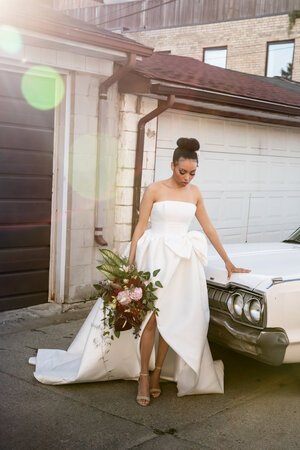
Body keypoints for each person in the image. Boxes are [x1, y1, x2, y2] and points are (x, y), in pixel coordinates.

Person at [29, 137, 250, 406]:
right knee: (150, 320)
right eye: (182, 172)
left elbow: (209, 228)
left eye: (192, 173)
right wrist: (130, 262)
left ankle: (158, 374)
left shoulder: (195, 193)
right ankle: (143, 375)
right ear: (172, 165)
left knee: (176, 319)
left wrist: (228, 261)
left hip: (183, 263)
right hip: (154, 258)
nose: (187, 178)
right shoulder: (155, 189)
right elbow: (140, 226)